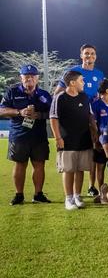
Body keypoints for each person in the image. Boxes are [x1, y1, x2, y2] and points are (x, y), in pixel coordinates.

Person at [1, 64, 52, 205]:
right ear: (21, 77)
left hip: (39, 136)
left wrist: (40, 115)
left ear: (37, 78)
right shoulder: (12, 92)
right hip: (19, 135)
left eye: (32, 76)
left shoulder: (44, 95)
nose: (29, 79)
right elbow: (1, 110)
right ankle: (19, 195)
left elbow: (53, 113)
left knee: (39, 165)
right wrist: (19, 112)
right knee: (20, 164)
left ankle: (38, 194)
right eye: (26, 76)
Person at [50, 70, 98, 210]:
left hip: (84, 139)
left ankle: (77, 196)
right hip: (67, 140)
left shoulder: (84, 97)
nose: (83, 83)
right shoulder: (60, 97)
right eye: (81, 80)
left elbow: (90, 116)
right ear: (72, 82)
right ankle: (68, 198)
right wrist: (58, 137)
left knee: (80, 169)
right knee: (69, 169)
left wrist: (94, 131)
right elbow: (53, 118)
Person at [89, 79, 108, 197]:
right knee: (100, 166)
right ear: (107, 91)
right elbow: (92, 124)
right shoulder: (96, 105)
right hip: (101, 141)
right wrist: (96, 140)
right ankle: (101, 192)